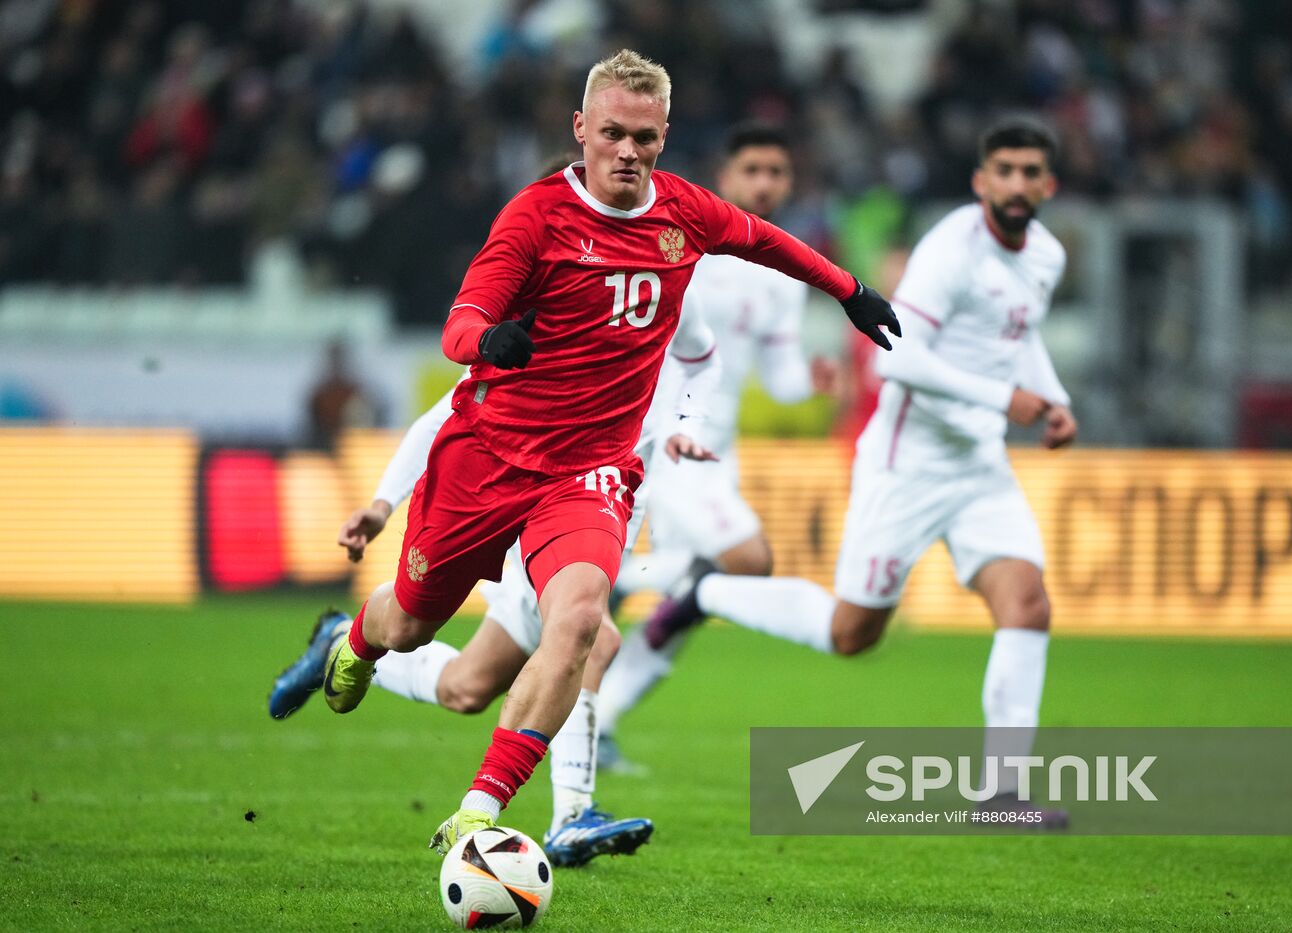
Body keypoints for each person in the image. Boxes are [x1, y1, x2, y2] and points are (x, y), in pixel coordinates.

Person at [311, 49, 899, 855]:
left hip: (589, 475)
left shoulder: (683, 213)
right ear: (581, 130)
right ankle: (353, 642)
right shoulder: (534, 216)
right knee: (412, 627)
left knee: (584, 619)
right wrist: (491, 338)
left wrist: (850, 291)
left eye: (647, 138)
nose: (629, 152)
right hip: (488, 461)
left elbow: (767, 243)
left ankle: (483, 812)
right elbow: (460, 326)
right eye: (614, 134)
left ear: (665, 137)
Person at [641, 119, 1075, 824]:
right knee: (852, 634)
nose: (1019, 184)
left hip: (980, 463)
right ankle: (710, 592)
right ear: (981, 180)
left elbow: (1020, 340)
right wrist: (1007, 399)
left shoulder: (1046, 256)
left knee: (1027, 603)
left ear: (1049, 184)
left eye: (1032, 172)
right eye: (1006, 170)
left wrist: (1053, 399)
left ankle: (1001, 791)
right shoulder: (950, 253)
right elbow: (895, 357)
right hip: (907, 464)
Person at [270, 280, 721, 866]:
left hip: (600, 522)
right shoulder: (561, 326)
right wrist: (382, 504)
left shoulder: (667, 305)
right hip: (539, 517)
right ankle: (571, 818)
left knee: (468, 686)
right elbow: (447, 414)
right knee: (594, 636)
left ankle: (341, 638)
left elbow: (702, 361)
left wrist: (691, 425)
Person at [595, 123, 837, 766]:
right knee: (746, 561)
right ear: (726, 177)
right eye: (752, 169)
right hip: (660, 438)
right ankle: (619, 581)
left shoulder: (784, 272)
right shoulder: (684, 241)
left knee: (692, 601)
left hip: (713, 456)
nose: (765, 183)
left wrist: (811, 382)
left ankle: (603, 717)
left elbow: (780, 380)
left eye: (777, 171)